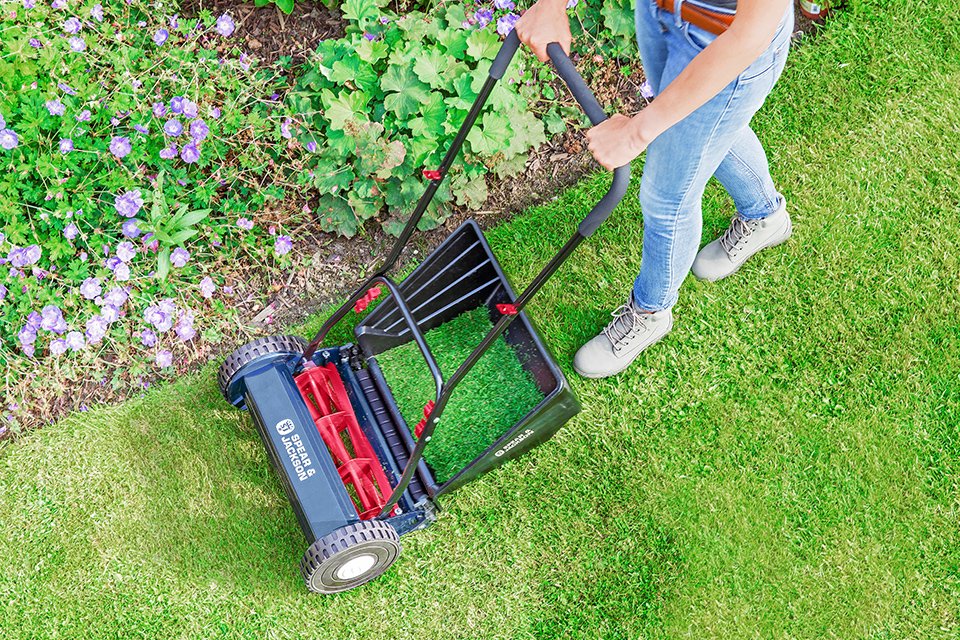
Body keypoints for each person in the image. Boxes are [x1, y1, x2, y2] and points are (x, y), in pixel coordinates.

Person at [515, 0, 794, 378]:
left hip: (725, 42)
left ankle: (651, 311)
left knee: (666, 199)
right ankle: (765, 215)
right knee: (710, 127)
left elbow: (749, 34)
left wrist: (636, 131)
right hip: (658, 12)